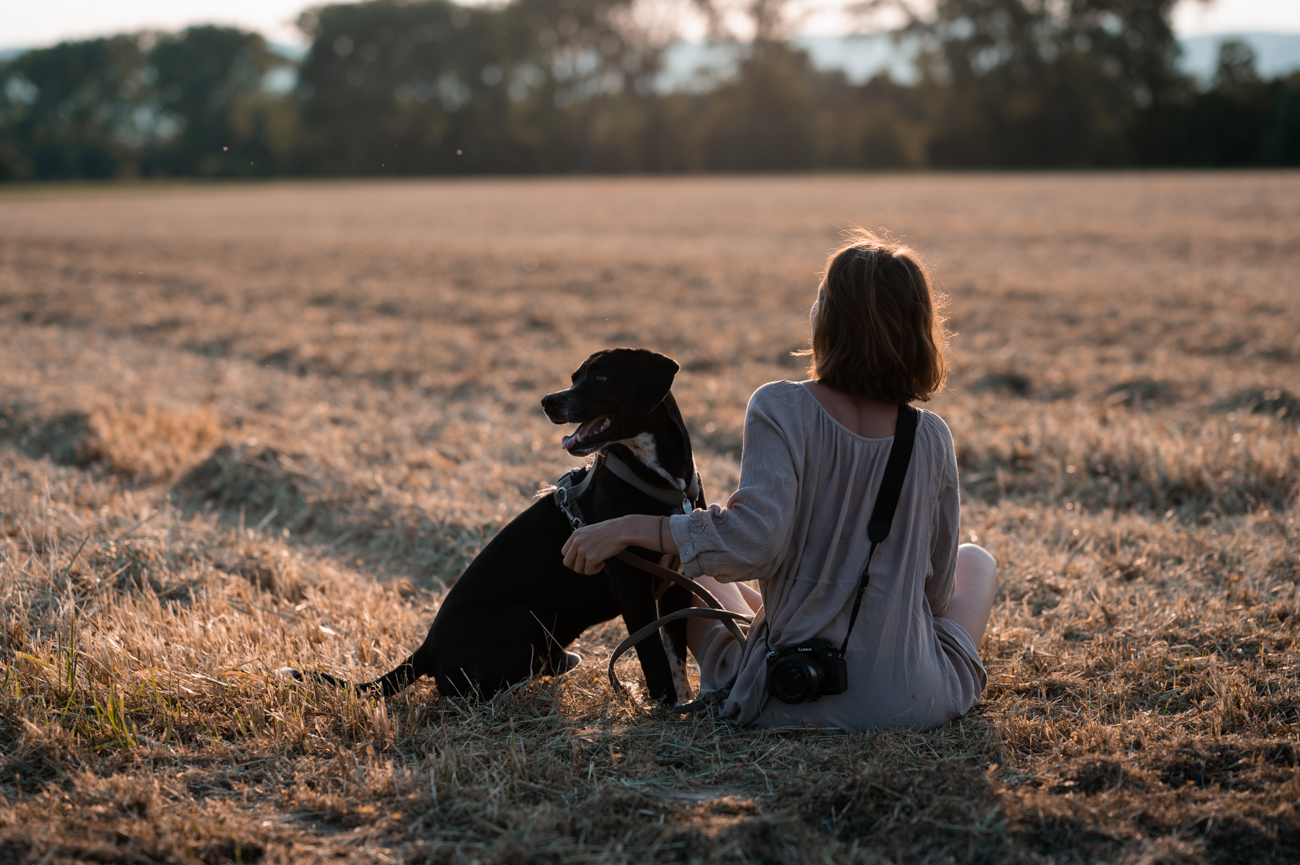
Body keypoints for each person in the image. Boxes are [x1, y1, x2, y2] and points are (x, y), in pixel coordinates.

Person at [561, 231, 997, 731]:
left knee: (692, 571)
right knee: (976, 560)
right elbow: (936, 596)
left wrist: (626, 527)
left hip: (786, 694)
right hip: (911, 701)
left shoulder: (781, 407)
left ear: (828, 320)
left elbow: (753, 545)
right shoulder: (932, 436)